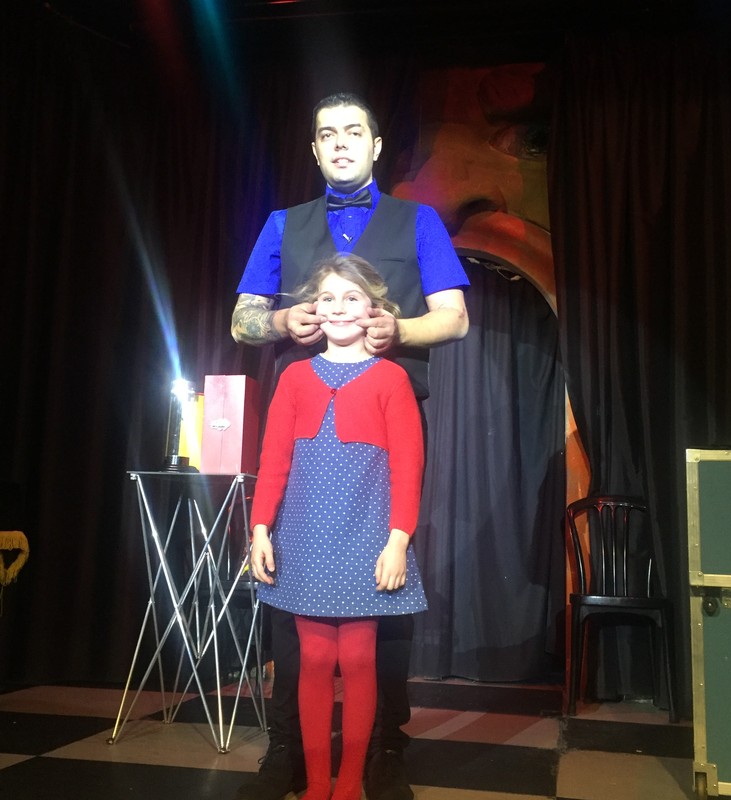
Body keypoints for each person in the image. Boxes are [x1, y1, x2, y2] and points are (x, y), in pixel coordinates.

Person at [232, 91, 469, 800]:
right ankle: (289, 750)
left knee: (381, 598)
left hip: (383, 420)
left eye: (353, 132)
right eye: (327, 134)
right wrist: (283, 324)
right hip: (304, 421)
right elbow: (243, 318)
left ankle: (383, 751)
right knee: (290, 602)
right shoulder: (283, 223)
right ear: (314, 150)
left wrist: (401, 332)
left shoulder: (418, 221)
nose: (340, 143)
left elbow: (455, 318)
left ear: (375, 145)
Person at [249, 254, 427, 800]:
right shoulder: (295, 377)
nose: (339, 307)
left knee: (358, 660)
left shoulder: (392, 378)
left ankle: (349, 783)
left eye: (352, 297)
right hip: (305, 538)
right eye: (328, 297)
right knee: (314, 661)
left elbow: (408, 466)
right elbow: (274, 459)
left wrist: (398, 540)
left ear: (374, 309)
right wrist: (260, 528)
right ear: (314, 309)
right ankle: (316, 784)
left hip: (365, 537)